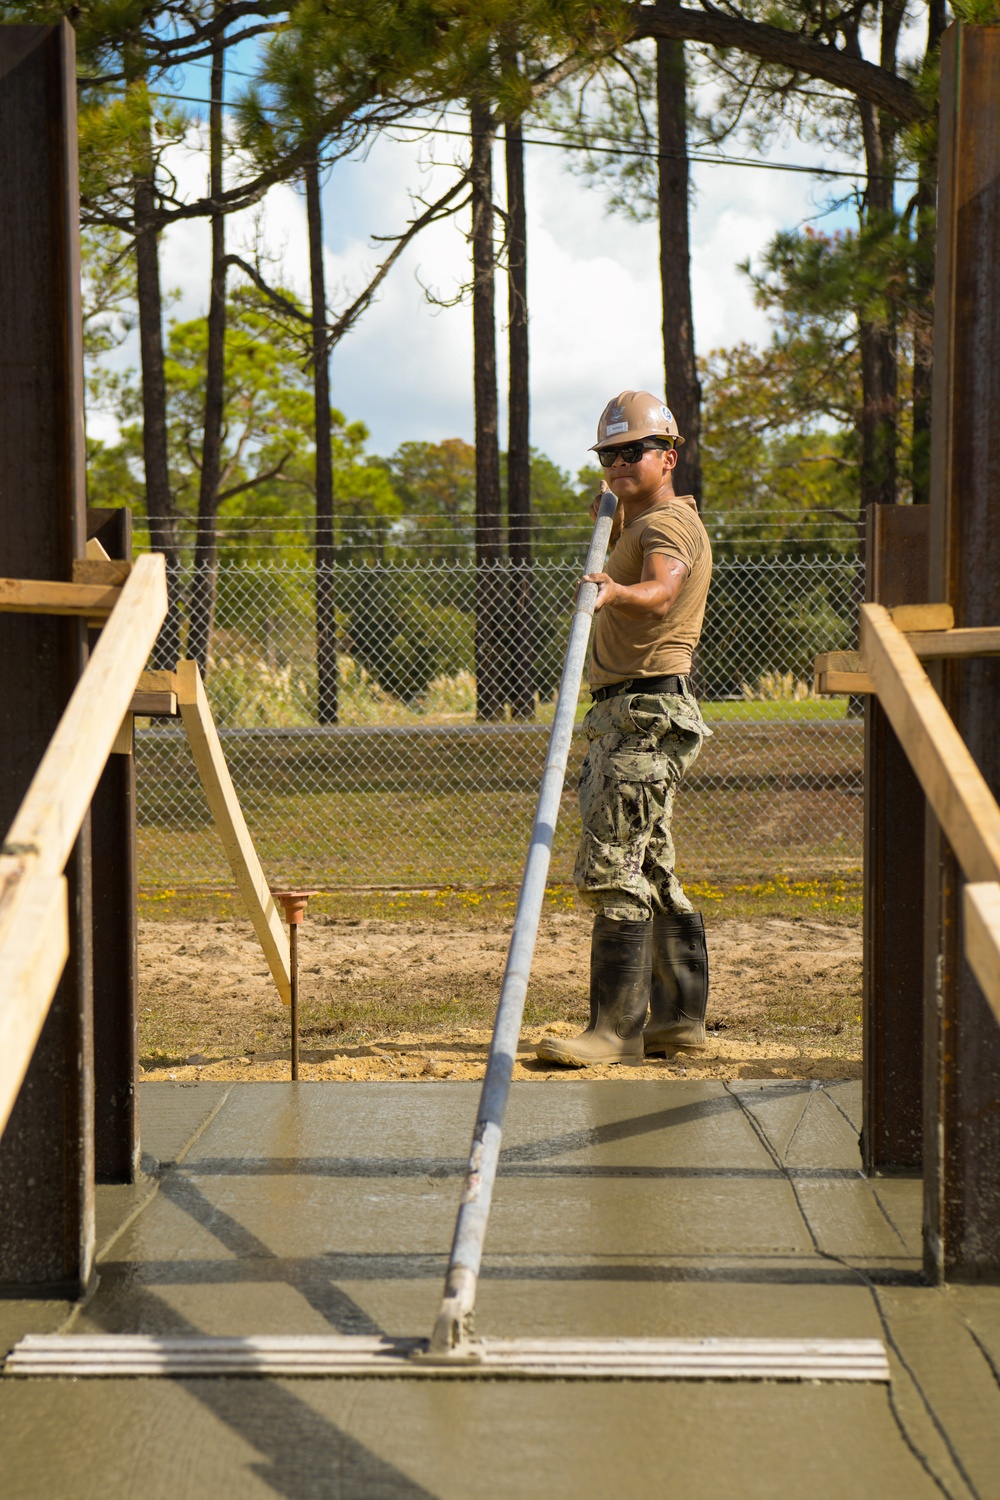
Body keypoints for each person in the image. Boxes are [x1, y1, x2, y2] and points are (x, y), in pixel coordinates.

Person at [536, 390, 713, 1068]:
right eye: (608, 455)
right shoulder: (638, 522)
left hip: (642, 711)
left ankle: (613, 1030)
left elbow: (662, 590)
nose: (617, 465)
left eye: (632, 452)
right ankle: (679, 1019)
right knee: (650, 863)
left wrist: (615, 592)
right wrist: (612, 527)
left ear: (668, 456)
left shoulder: (667, 525)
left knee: (615, 864)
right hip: (633, 707)